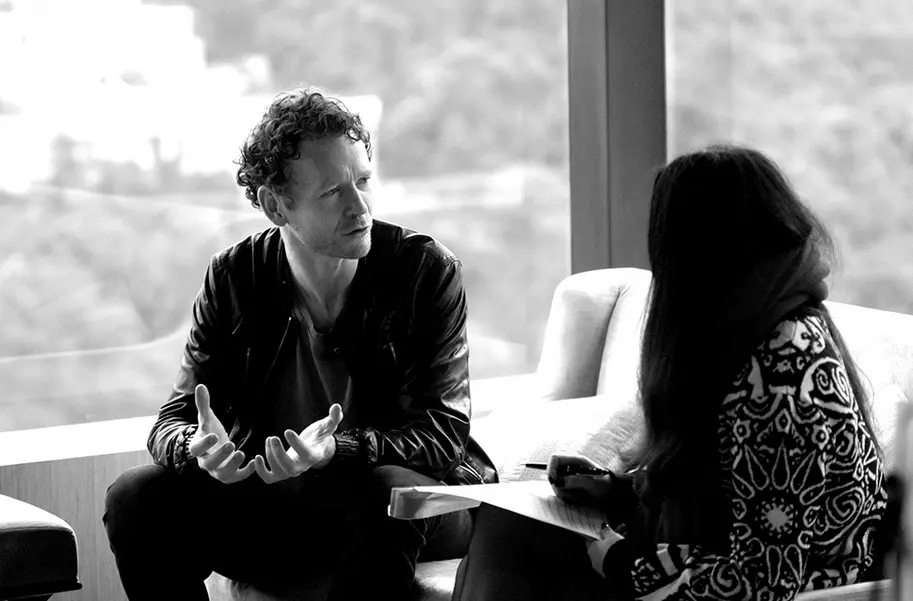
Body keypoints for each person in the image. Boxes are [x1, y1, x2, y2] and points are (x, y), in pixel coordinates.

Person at [102, 87, 498, 601]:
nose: (360, 207)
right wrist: (194, 448)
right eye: (333, 192)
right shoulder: (235, 276)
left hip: (411, 504)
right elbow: (173, 419)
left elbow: (442, 436)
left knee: (387, 492)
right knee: (136, 495)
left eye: (363, 181)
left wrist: (339, 448)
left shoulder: (424, 270)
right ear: (275, 205)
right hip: (283, 506)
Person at [451, 145, 887, 601]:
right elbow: (725, 491)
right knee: (513, 526)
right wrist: (614, 491)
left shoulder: (781, 376)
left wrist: (620, 561)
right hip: (706, 566)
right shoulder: (753, 332)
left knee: (518, 545)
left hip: (779, 588)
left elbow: (763, 578)